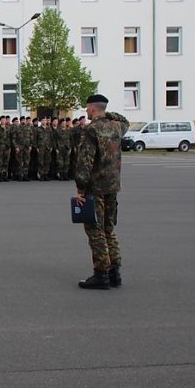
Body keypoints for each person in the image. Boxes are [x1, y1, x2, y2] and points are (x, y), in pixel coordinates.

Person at [75, 94, 129, 290]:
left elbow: (85, 162)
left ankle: (101, 274)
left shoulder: (92, 130)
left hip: (95, 187)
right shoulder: (117, 127)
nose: (86, 111)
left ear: (92, 108)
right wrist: (108, 113)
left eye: (88, 108)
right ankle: (115, 272)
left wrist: (80, 188)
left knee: (95, 229)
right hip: (112, 186)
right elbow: (125, 121)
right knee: (109, 229)